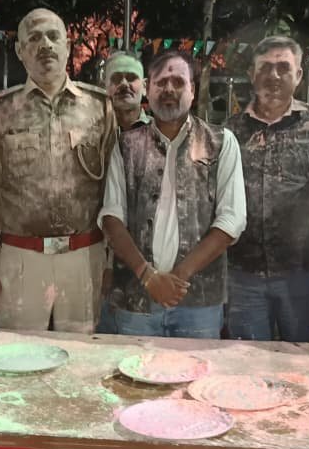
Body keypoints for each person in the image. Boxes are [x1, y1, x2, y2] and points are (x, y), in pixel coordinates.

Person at [0, 8, 117, 333]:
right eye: (34, 38)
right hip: (21, 260)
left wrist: (112, 262)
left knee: (81, 354)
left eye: (53, 36)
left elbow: (113, 191)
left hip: (84, 258)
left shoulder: (99, 107)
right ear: (20, 51)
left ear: (68, 45)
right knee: (17, 353)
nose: (45, 45)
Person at [100, 51, 246, 338]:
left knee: (196, 369)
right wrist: (148, 276)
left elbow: (232, 219)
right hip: (136, 299)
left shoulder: (220, 142)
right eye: (160, 82)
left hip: (199, 302)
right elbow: (111, 217)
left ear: (193, 90)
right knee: (135, 367)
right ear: (149, 90)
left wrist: (176, 279)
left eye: (178, 82)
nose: (168, 89)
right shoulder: (127, 146)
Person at [225, 35, 309, 342]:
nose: (274, 75)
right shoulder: (229, 131)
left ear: (299, 75)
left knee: (306, 361)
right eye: (265, 67)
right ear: (251, 74)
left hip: (304, 275)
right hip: (242, 275)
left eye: (283, 67)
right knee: (245, 361)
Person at [96, 51, 151, 334]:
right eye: (116, 79)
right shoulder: (90, 135)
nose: (125, 84)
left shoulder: (158, 137)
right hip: (91, 258)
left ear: (144, 85)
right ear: (104, 86)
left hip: (140, 266)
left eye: (132, 78)